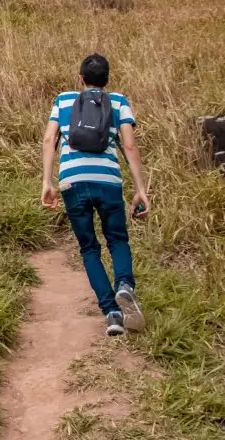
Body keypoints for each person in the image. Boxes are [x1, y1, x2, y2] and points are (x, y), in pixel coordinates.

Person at [40, 53, 150, 337]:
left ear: (81, 79)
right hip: (108, 180)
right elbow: (129, 146)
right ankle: (124, 285)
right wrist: (140, 189)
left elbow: (50, 138)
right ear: (108, 80)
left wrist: (46, 182)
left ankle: (111, 313)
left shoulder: (64, 100)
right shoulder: (119, 102)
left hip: (72, 180)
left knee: (89, 247)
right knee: (117, 239)